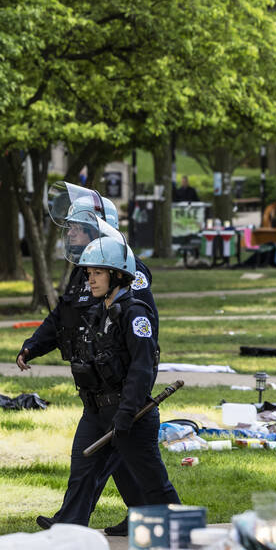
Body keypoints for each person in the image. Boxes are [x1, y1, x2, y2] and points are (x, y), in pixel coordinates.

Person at [17, 183, 153, 535]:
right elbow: (62, 316)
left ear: (98, 229)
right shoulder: (85, 271)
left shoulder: (124, 270)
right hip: (94, 387)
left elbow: (139, 332)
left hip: (120, 387)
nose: (70, 233)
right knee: (117, 461)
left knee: (99, 459)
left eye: (77, 227)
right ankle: (143, 515)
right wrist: (33, 346)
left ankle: (70, 525)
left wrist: (131, 395)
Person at [49, 221, 178, 527]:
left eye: (97, 273)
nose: (90, 280)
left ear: (118, 275)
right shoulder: (97, 312)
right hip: (96, 411)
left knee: (152, 483)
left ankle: (183, 530)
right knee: (82, 470)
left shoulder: (136, 315)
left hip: (131, 415)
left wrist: (126, 412)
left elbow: (142, 368)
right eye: (89, 273)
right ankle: (67, 531)